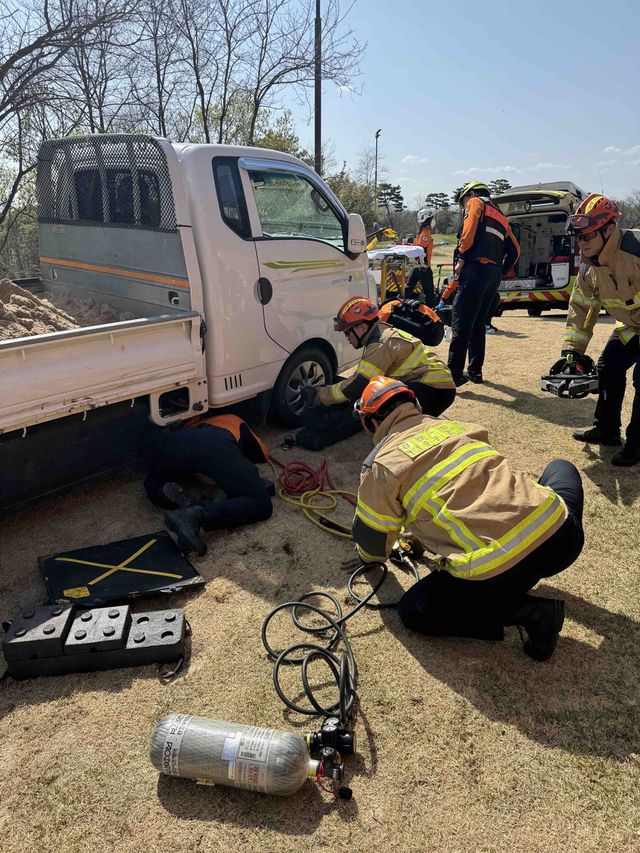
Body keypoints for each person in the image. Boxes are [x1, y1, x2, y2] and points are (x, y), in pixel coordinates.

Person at [351, 376, 584, 661]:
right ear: (415, 403)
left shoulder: (381, 465)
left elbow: (373, 540)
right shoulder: (456, 426)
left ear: (371, 423)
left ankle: (532, 612)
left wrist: (369, 559)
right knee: (561, 467)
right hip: (561, 538)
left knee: (414, 611)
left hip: (499, 572)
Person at [550, 194, 640, 466]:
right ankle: (607, 430)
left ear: (608, 229)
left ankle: (637, 444)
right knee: (608, 367)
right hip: (631, 327)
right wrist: (571, 353)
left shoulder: (636, 249)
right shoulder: (590, 266)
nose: (581, 244)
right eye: (579, 237)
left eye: (587, 237)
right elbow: (580, 308)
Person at [297, 296, 455, 450]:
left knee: (377, 411)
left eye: (347, 332)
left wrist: (319, 396)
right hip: (437, 386)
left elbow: (355, 387)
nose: (347, 338)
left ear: (361, 328)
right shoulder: (383, 332)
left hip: (432, 390)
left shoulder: (380, 343)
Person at [144, 413, 273, 555]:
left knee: (156, 475)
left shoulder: (191, 424)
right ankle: (196, 514)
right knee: (261, 505)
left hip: (174, 443)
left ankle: (161, 490)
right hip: (214, 445)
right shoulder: (234, 420)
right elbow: (263, 454)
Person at [441, 181, 519, 385]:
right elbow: (516, 250)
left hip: (474, 269)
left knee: (460, 323)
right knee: (477, 325)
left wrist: (462, 258)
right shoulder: (502, 217)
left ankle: (454, 375)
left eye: (463, 201)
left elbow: (468, 232)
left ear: (471, 193)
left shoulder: (476, 202)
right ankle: (475, 372)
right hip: (492, 275)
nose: (464, 206)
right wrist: (501, 270)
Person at [406, 209, 435, 301]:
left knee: (408, 289)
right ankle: (431, 312)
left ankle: (398, 305)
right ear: (428, 220)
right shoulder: (425, 234)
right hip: (423, 268)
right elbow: (419, 249)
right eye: (432, 218)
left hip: (417, 267)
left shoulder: (423, 232)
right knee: (429, 293)